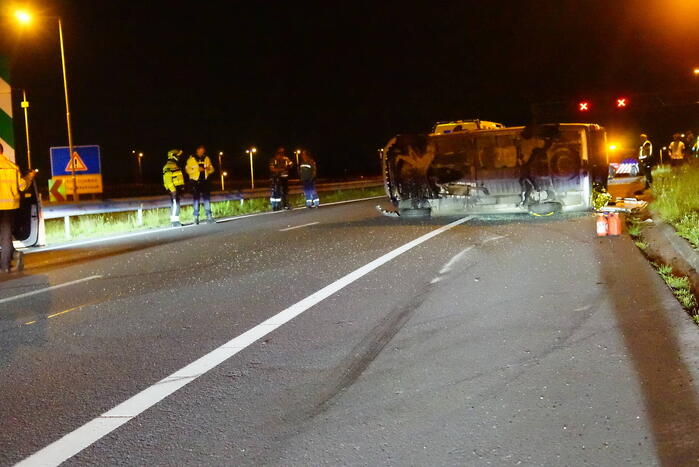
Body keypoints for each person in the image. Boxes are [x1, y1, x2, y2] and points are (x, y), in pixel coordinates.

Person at [0, 143, 36, 273]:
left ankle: (11, 258)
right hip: (10, 207)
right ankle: (5, 266)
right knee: (6, 235)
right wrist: (30, 177)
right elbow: (22, 186)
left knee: (4, 236)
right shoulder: (13, 168)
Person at [185, 145, 215, 224]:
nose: (202, 152)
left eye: (203, 151)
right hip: (195, 181)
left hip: (205, 181)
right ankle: (196, 217)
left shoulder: (206, 158)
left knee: (207, 199)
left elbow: (212, 169)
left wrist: (208, 169)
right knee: (196, 200)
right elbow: (187, 170)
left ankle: (209, 217)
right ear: (197, 150)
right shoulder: (191, 159)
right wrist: (197, 170)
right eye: (201, 151)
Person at [163, 149, 185, 227]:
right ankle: (174, 222)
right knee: (175, 204)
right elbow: (168, 180)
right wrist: (173, 190)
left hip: (176, 189)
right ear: (173, 156)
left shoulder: (174, 165)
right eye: (178, 156)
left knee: (176, 204)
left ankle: (176, 221)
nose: (179, 157)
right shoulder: (168, 166)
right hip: (174, 190)